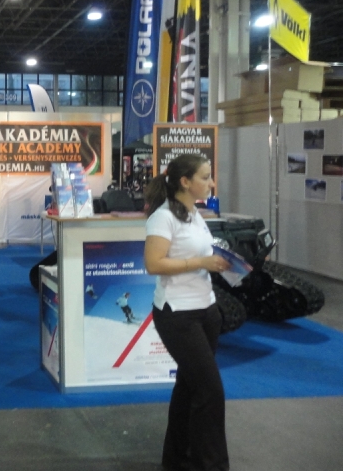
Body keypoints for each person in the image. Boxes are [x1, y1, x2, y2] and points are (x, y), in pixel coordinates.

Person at [143, 154, 231, 471]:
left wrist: (223, 262)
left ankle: (177, 459)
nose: (211, 183)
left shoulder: (195, 214)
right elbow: (153, 263)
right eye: (205, 177)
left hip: (206, 310)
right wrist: (200, 262)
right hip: (177, 314)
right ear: (185, 181)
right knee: (210, 392)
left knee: (189, 387)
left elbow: (201, 254)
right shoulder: (163, 217)